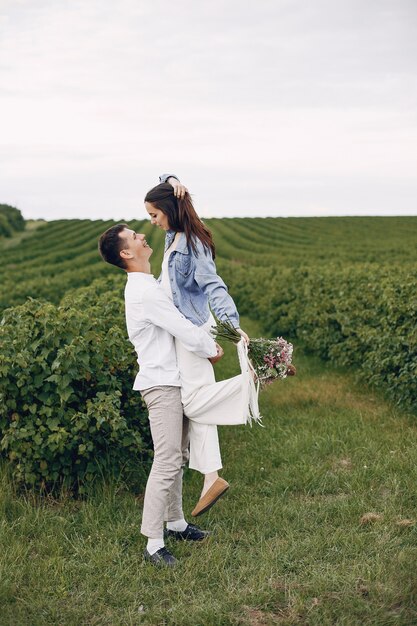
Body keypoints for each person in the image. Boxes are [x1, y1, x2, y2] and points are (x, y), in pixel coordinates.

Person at [98, 224, 257, 567]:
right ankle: (154, 542)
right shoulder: (144, 292)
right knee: (167, 458)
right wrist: (211, 348)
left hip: (173, 379)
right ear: (126, 253)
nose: (142, 236)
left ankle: (177, 522)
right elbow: (180, 325)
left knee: (178, 455)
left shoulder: (148, 285)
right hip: (161, 384)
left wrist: (171, 182)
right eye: (134, 237)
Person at [145, 176, 251, 515]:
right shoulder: (173, 235)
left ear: (168, 210)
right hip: (180, 332)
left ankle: (251, 383)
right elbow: (167, 181)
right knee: (194, 403)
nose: (153, 222)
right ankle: (210, 477)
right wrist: (172, 179)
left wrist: (232, 325)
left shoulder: (193, 242)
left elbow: (212, 285)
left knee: (192, 403)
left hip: (191, 330)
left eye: (154, 215)